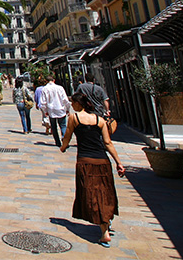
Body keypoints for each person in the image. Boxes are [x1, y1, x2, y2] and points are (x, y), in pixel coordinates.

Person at [61, 92, 125, 248]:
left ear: (77, 104)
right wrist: (119, 163)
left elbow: (67, 136)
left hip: (85, 162)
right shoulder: (100, 120)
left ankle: (104, 230)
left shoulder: (74, 118)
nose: (72, 105)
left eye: (72, 102)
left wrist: (63, 147)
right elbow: (108, 143)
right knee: (106, 192)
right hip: (103, 162)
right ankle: (106, 221)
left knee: (92, 194)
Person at [39, 75, 71, 146]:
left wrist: (45, 111)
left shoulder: (45, 89)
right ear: (54, 80)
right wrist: (68, 108)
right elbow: (65, 100)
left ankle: (57, 141)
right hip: (60, 109)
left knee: (54, 127)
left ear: (46, 81)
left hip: (51, 110)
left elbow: (43, 102)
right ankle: (64, 137)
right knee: (63, 125)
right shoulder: (60, 88)